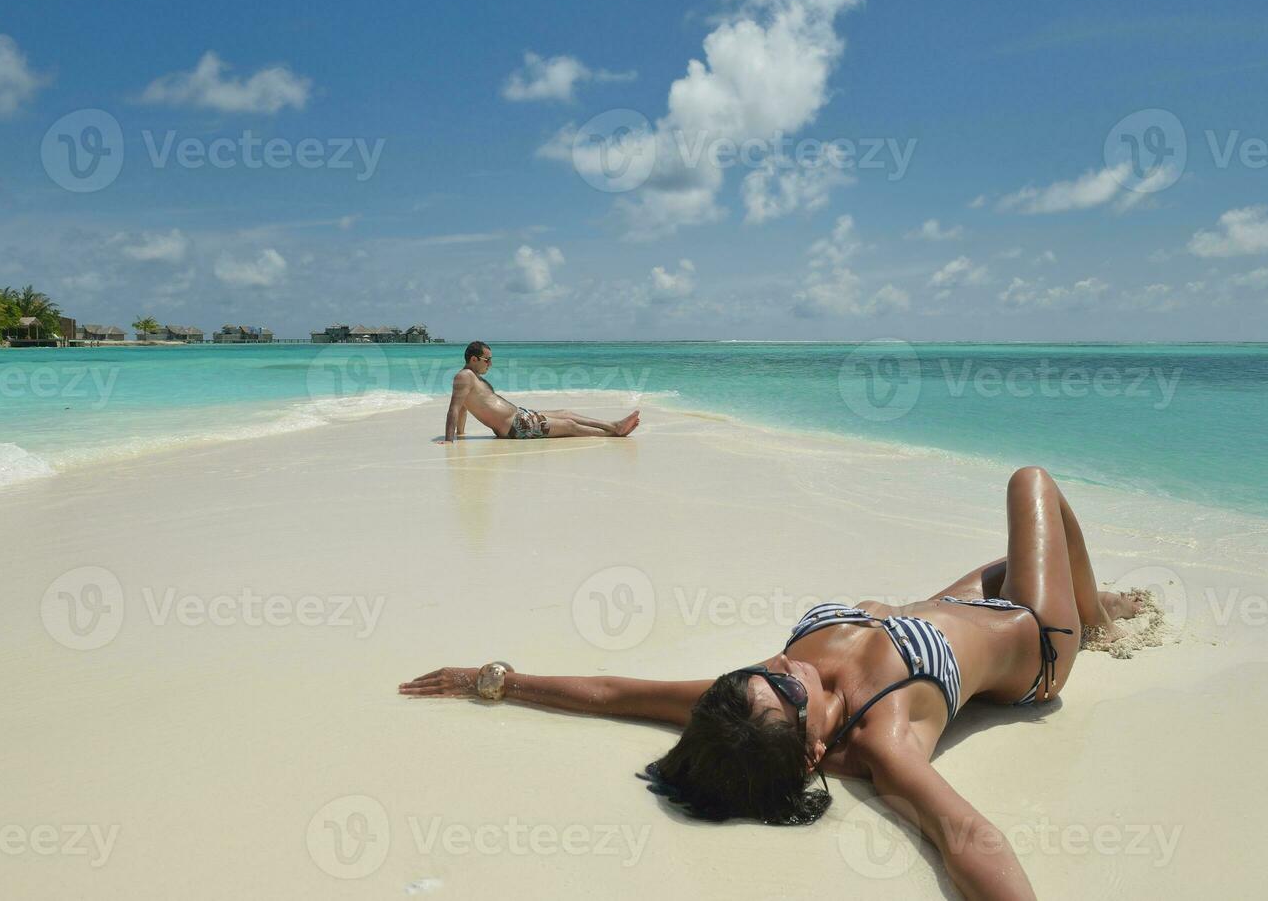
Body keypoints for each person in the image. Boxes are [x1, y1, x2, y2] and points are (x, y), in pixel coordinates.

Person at [399, 467, 1144, 900]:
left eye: (758, 674)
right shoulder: (886, 739)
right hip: (1033, 643)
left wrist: (495, 680)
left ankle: (1102, 607)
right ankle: (1092, 621)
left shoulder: (740, 709)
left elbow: (614, 694)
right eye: (788, 692)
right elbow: (969, 838)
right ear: (814, 750)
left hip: (956, 604)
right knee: (1032, 483)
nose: (783, 669)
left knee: (997, 562)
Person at [439, 341, 640, 443]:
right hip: (516, 427)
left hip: (520, 417)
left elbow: (464, 408)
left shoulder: (472, 378)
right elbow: (454, 409)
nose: (490, 364)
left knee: (566, 413)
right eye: (487, 360)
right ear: (473, 359)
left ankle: (613, 425)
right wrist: (450, 440)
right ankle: (614, 432)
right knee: (569, 425)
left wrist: (461, 434)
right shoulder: (464, 377)